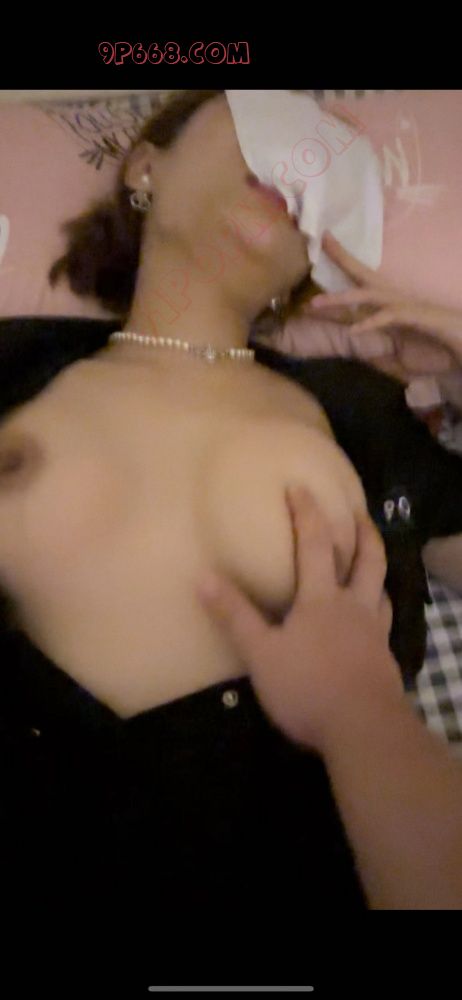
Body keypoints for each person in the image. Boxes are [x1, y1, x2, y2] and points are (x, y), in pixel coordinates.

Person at [0, 89, 461, 952]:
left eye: (328, 170)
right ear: (146, 167)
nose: (299, 158)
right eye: (264, 119)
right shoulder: (16, 365)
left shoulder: (360, 409)